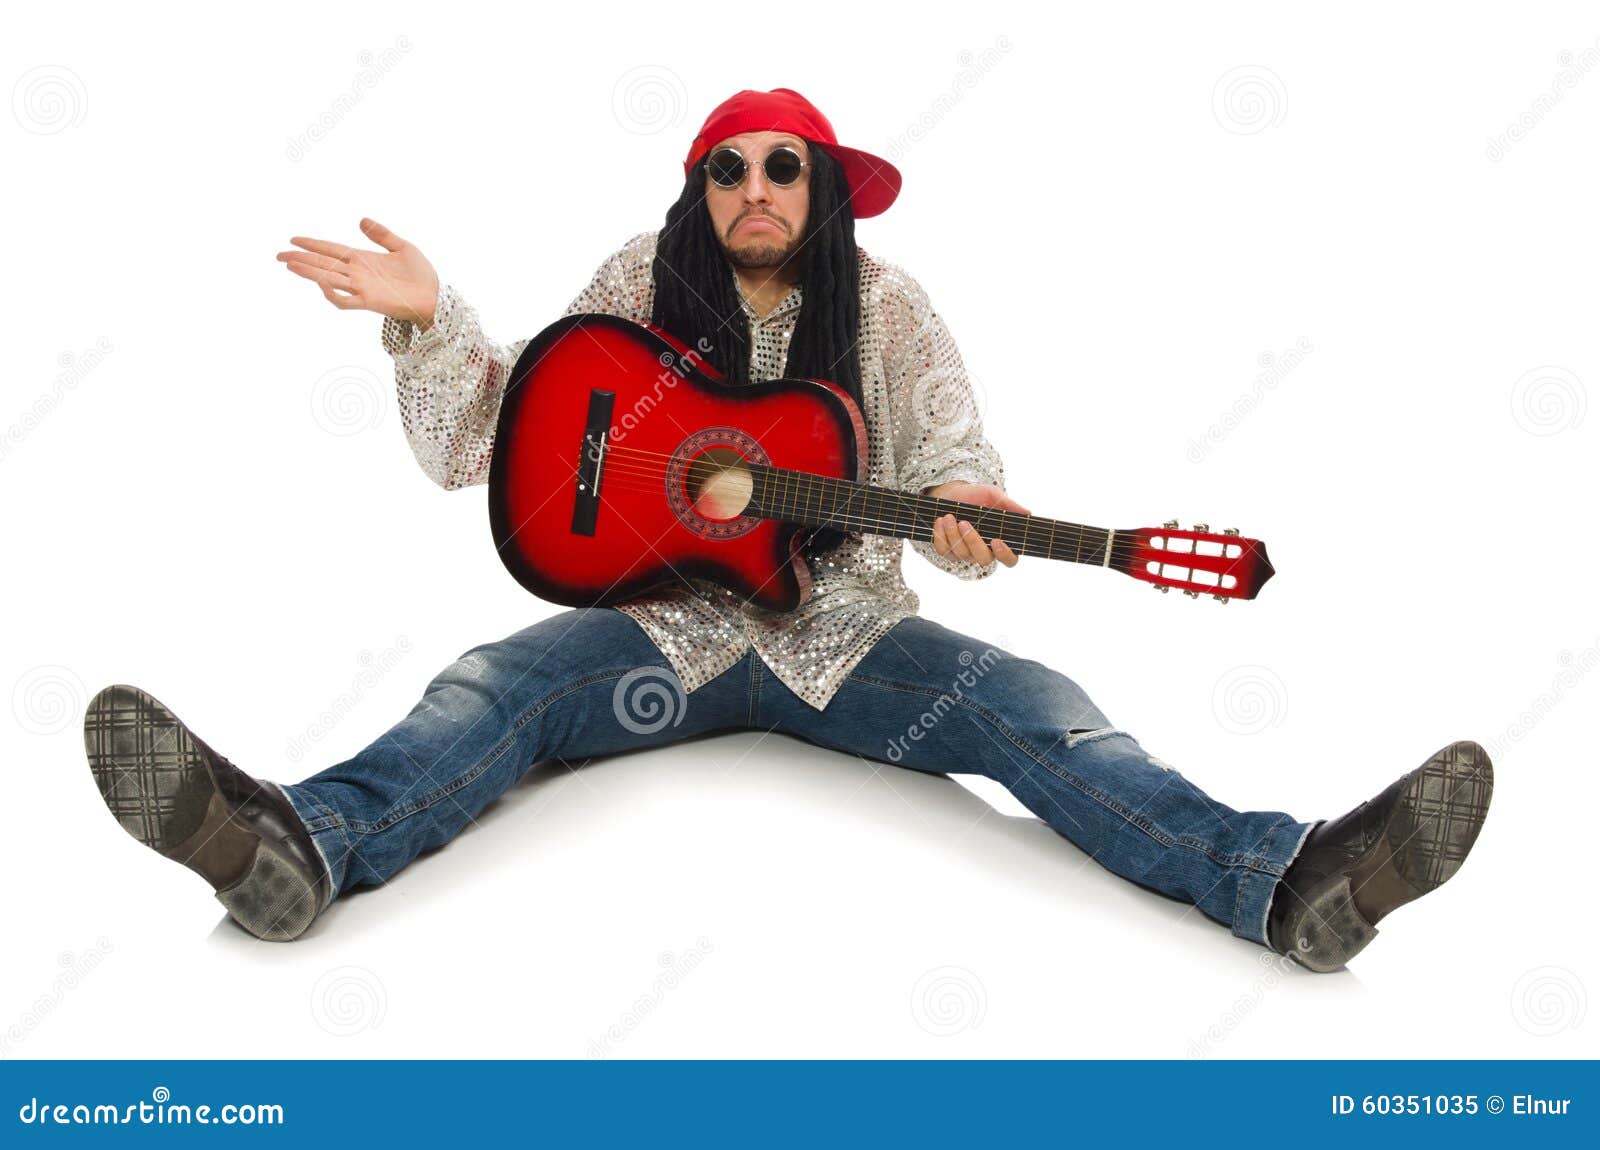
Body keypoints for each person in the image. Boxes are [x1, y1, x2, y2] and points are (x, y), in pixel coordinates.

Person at [84, 88, 1493, 972]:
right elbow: (503, 432)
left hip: (848, 638)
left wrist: (974, 517)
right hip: (664, 627)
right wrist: (427, 317)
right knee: (487, 691)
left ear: (820, 188)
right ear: (698, 189)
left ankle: (1292, 881)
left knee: (1046, 715)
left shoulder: (890, 303)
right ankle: (290, 848)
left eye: (782, 168)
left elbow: (950, 457)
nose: (753, 190)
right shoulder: (637, 278)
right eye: (725, 169)